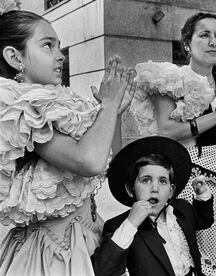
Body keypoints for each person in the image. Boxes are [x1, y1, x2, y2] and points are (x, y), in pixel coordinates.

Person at [122, 12, 216, 276]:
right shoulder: (172, 79)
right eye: (204, 35)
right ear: (187, 44)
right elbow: (167, 131)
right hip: (185, 177)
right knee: (188, 255)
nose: (213, 42)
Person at [0, 10, 137, 275]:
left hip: (87, 237)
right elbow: (89, 161)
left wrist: (113, 113)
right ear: (15, 58)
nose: (60, 54)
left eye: (59, 46)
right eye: (48, 45)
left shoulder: (58, 105)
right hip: (55, 254)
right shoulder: (24, 110)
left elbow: (109, 160)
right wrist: (107, 105)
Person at [91, 136, 214, 276]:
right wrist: (131, 224)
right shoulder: (119, 226)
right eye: (146, 180)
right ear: (130, 189)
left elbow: (203, 221)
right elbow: (101, 271)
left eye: (162, 181)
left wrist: (202, 195)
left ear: (171, 191)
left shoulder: (181, 209)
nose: (155, 188)